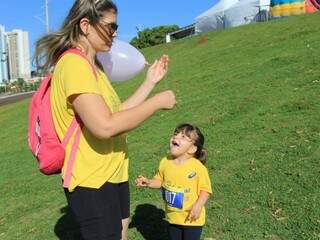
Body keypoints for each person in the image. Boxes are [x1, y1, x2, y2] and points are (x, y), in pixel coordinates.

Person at [34, 0, 176, 239]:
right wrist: (156, 103)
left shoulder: (94, 67)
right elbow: (104, 126)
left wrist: (149, 83)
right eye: (111, 26)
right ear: (86, 25)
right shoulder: (73, 64)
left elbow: (115, 114)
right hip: (92, 180)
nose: (115, 33)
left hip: (113, 172)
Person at [135, 123, 212, 240]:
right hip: (173, 218)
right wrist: (149, 182)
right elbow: (160, 181)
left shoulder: (198, 168)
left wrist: (198, 206)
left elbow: (205, 190)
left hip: (192, 219)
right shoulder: (165, 161)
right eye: (176, 134)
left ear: (192, 148)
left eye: (183, 137)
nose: (176, 137)